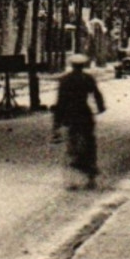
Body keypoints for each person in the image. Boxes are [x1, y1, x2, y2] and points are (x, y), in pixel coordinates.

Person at [52, 53, 106, 189]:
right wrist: (100, 107)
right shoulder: (87, 78)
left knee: (71, 145)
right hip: (84, 113)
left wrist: (57, 123)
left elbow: (60, 101)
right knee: (89, 144)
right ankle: (90, 177)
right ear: (83, 66)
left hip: (70, 115)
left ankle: (71, 180)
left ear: (71, 65)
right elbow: (96, 94)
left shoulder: (65, 80)